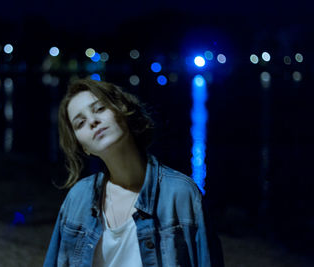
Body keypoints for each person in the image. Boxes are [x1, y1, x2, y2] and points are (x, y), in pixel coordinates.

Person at [43, 78, 224, 267]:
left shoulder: (181, 194)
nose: (93, 122)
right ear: (83, 146)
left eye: (100, 109)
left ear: (122, 109)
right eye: (80, 123)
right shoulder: (78, 199)